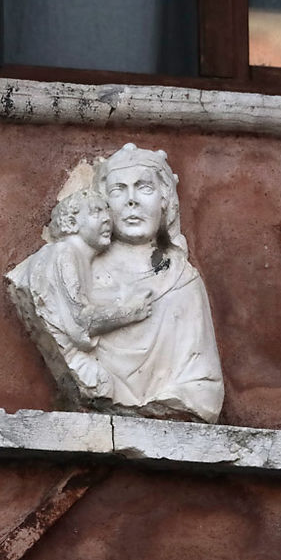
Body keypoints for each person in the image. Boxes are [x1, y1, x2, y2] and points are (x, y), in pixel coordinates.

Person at [85, 143, 224, 422]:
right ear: (103, 204)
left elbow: (204, 386)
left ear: (164, 199)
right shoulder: (81, 271)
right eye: (118, 190)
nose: (131, 200)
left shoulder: (182, 280)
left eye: (144, 188)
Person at [22, 190, 152, 397]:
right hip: (76, 363)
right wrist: (131, 312)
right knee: (101, 383)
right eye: (96, 212)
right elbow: (80, 322)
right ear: (72, 222)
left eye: (107, 212)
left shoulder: (76, 259)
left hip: (78, 360)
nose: (107, 219)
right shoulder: (64, 253)